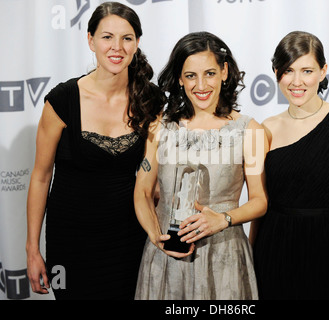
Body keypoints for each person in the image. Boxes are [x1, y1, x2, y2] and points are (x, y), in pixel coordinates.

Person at [26, 2, 165, 300]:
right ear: (90, 40)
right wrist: (32, 249)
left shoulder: (151, 100)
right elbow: (40, 177)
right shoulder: (62, 100)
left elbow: (151, 175)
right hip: (71, 240)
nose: (117, 47)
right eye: (107, 37)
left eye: (127, 38)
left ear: (137, 43)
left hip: (130, 240)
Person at [134, 31, 268, 299]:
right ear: (180, 79)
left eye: (209, 73)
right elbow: (143, 191)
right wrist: (155, 236)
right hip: (165, 257)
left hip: (224, 256)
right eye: (191, 76)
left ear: (224, 72)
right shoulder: (160, 126)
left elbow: (259, 200)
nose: (201, 85)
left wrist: (223, 219)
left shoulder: (250, 130)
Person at [251, 31, 329, 300]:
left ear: (322, 71)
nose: (296, 81)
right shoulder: (267, 128)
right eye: (288, 70)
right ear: (276, 72)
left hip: (328, 250)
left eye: (307, 70)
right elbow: (260, 204)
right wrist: (250, 260)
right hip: (272, 251)